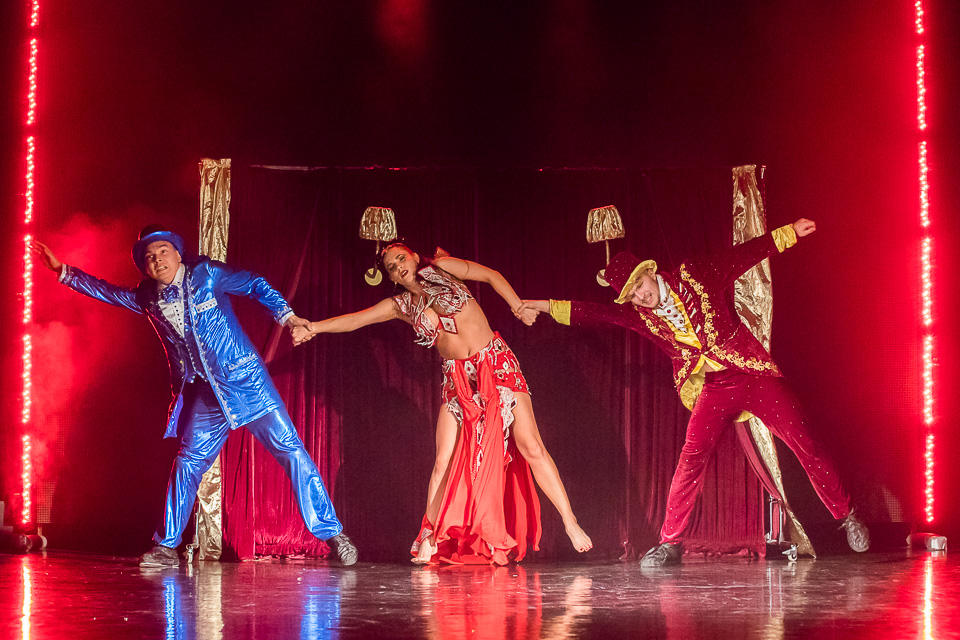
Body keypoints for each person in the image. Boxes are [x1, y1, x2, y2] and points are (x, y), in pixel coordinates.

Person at [520, 218, 869, 567]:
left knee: (806, 443)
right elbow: (597, 313)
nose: (641, 296)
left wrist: (789, 232)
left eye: (639, 285)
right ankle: (670, 543)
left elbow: (742, 257)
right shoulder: (642, 317)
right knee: (690, 460)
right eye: (632, 295)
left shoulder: (695, 276)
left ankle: (847, 515)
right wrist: (543, 305)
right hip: (715, 388)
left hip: (751, 373)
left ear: (650, 272)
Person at [33, 226, 358, 567]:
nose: (157, 259)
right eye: (149, 257)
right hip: (205, 392)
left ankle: (334, 534)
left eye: (163, 251)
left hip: (247, 381)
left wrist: (288, 318)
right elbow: (108, 292)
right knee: (188, 461)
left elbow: (255, 284)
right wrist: (63, 271)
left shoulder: (207, 274)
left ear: (177, 253)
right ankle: (166, 546)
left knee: (290, 450)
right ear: (145, 268)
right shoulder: (147, 297)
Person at [292, 244, 593, 564]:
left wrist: (517, 306)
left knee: (531, 446)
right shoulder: (401, 305)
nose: (398, 266)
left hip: (495, 363)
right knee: (443, 461)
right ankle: (430, 535)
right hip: (457, 379)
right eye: (391, 267)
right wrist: (314, 327)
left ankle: (570, 522)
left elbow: (491, 275)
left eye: (401, 258)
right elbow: (356, 320)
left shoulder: (444, 268)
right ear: (390, 277)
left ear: (414, 257)